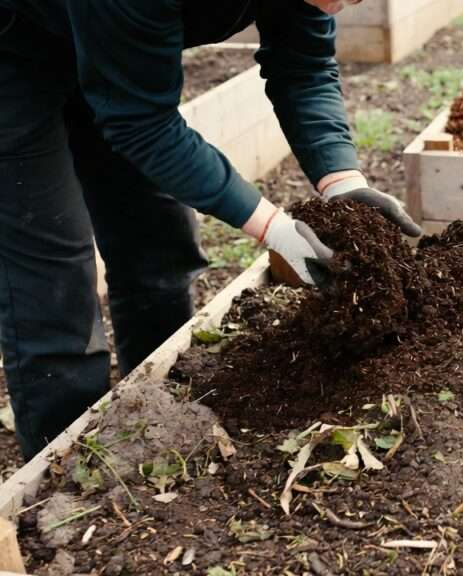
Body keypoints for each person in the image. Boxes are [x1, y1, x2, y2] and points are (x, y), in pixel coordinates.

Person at [0, 0, 422, 459]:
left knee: (159, 246)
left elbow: (303, 67)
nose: (345, 5)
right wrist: (272, 227)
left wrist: (343, 183)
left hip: (115, 41)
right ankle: (63, 471)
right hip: (15, 48)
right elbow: (141, 122)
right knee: (52, 286)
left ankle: (155, 417)